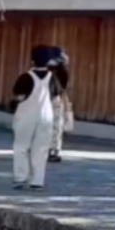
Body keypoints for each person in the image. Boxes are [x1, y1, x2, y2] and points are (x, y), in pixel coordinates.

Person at [8, 49, 58, 191]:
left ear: (32, 61)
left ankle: (20, 178)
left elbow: (19, 95)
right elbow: (54, 96)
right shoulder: (52, 78)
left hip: (26, 114)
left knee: (21, 147)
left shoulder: (26, 77)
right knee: (41, 149)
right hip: (46, 115)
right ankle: (37, 180)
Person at [47, 48, 73, 163]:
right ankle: (54, 149)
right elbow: (64, 86)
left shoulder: (43, 68)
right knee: (56, 125)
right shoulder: (62, 71)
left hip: (41, 99)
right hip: (55, 98)